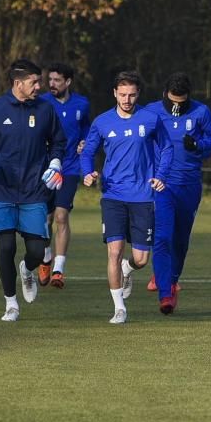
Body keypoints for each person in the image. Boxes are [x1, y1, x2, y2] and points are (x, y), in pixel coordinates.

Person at [0, 59, 66, 322]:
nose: (39, 86)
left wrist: (55, 163)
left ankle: (27, 270)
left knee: (36, 251)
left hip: (34, 190)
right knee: (6, 246)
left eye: (39, 81)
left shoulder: (46, 109)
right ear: (18, 83)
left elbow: (58, 141)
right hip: (1, 189)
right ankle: (11, 304)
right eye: (34, 81)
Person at [81, 71, 173, 323]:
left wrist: (161, 175)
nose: (127, 99)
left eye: (132, 95)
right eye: (122, 94)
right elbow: (87, 152)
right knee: (114, 251)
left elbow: (167, 148)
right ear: (114, 93)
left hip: (143, 196)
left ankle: (128, 268)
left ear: (138, 94)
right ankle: (119, 308)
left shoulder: (151, 119)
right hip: (113, 196)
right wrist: (88, 173)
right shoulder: (102, 122)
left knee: (142, 259)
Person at [143, 72, 211, 313]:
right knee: (163, 236)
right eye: (172, 101)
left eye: (182, 102)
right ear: (165, 95)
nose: (177, 107)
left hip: (190, 185)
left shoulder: (200, 112)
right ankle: (165, 294)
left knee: (180, 239)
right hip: (161, 184)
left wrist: (199, 145)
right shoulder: (151, 112)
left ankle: (171, 278)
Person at [38, 62, 91, 288]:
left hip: (69, 168)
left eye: (57, 80)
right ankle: (46, 258)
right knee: (45, 218)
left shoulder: (82, 104)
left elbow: (88, 129)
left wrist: (85, 142)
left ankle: (58, 269)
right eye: (49, 80)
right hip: (43, 168)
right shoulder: (41, 103)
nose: (52, 84)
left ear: (68, 82)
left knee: (61, 216)